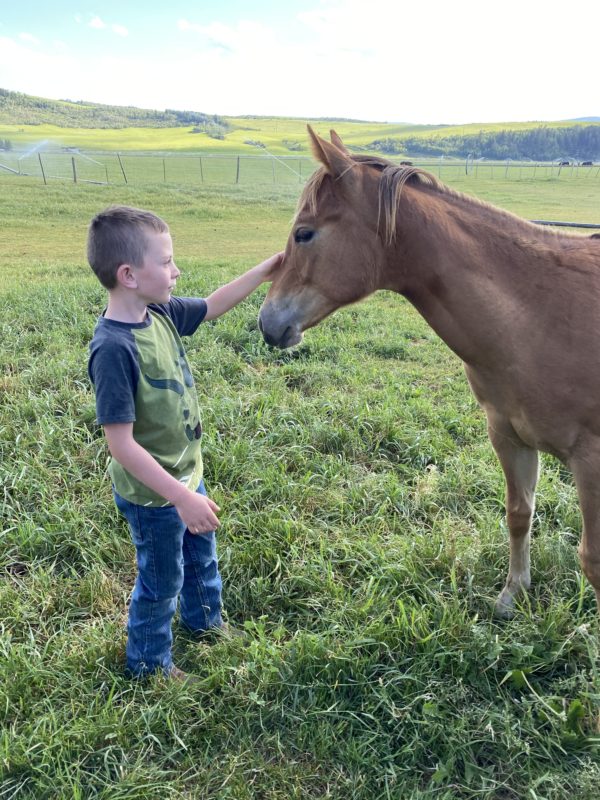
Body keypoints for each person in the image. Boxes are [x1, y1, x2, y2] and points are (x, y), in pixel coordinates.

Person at [87, 205, 283, 680]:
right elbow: (121, 446)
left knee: (200, 557)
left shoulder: (159, 313)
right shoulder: (114, 348)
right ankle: (149, 666)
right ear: (129, 275)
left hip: (185, 477)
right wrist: (180, 498)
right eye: (167, 261)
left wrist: (264, 271)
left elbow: (212, 305)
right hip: (154, 495)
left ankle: (205, 623)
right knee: (162, 580)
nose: (176, 271)